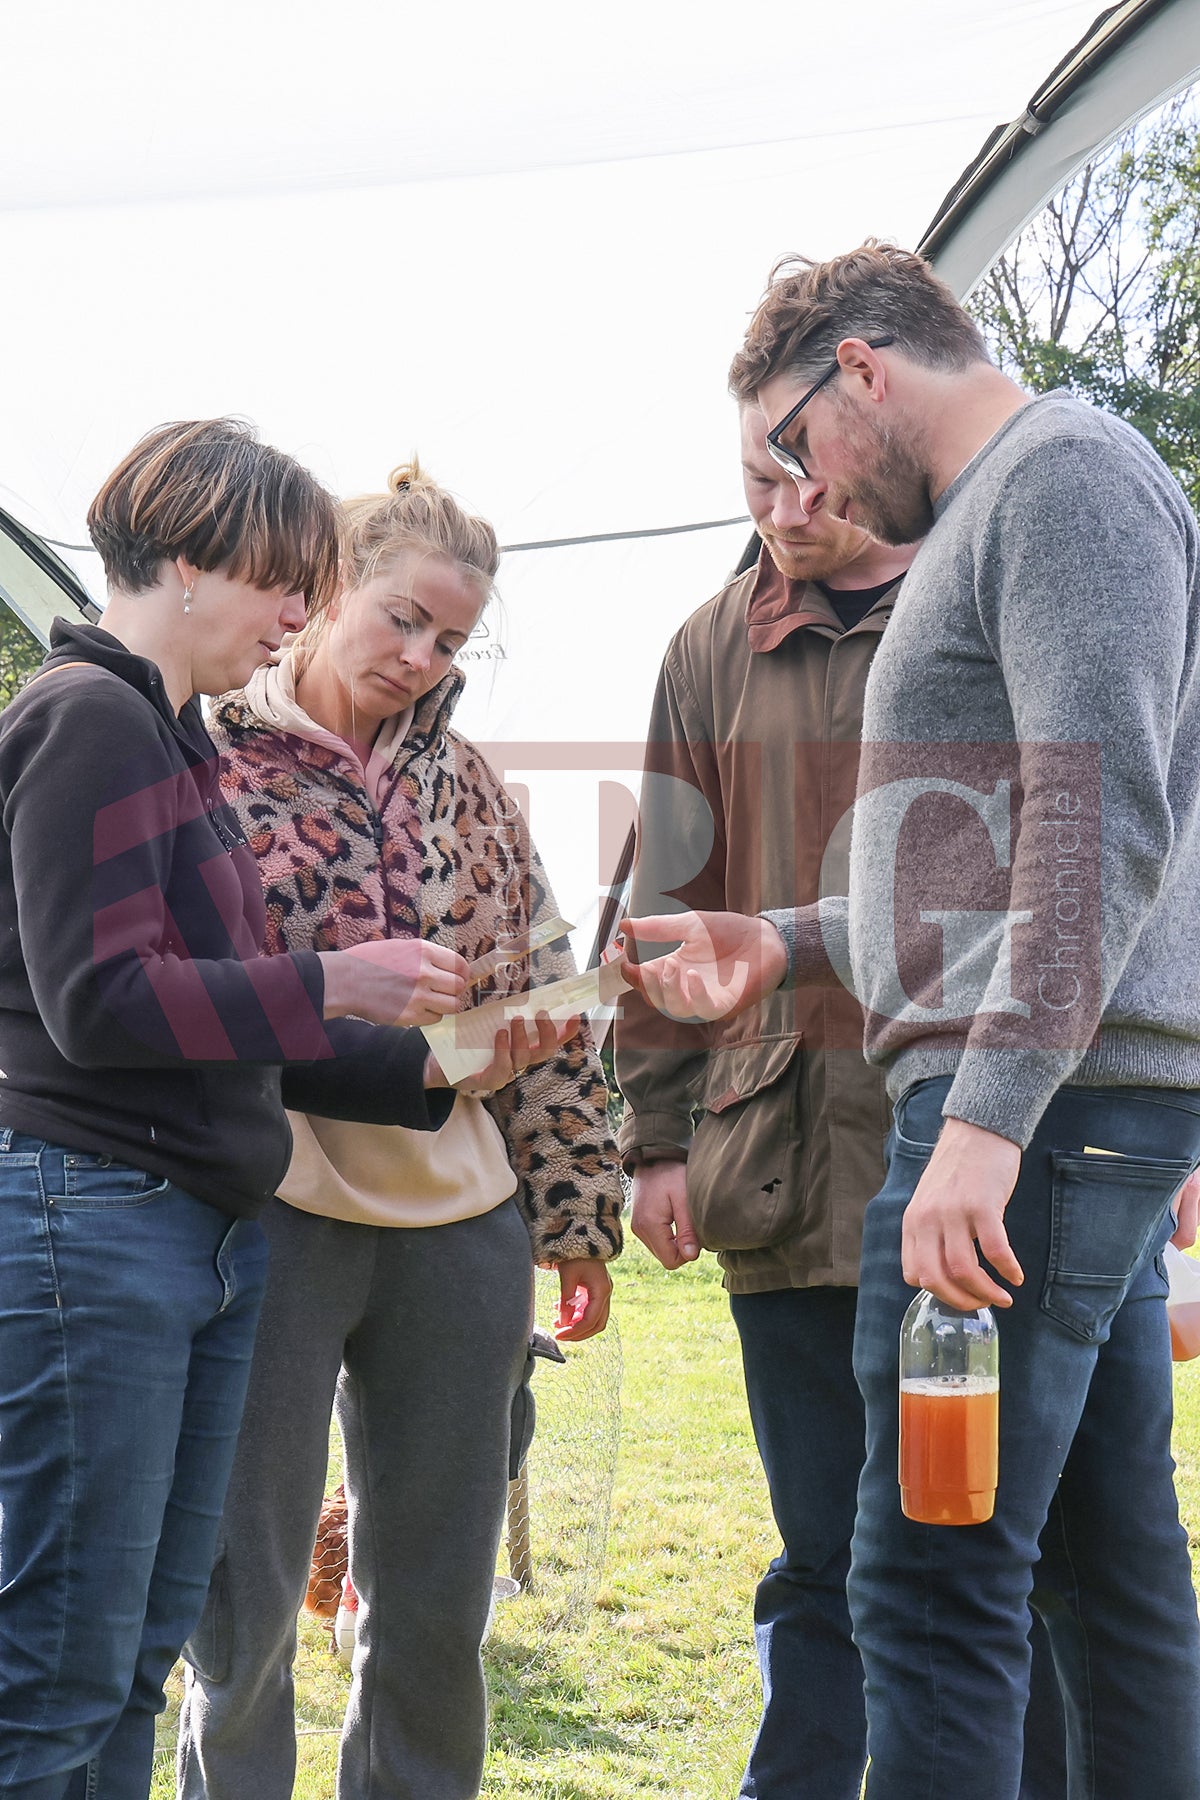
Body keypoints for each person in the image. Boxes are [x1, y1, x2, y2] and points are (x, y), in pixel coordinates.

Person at [625, 244, 1200, 1800]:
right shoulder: (1000, 510)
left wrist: (988, 1122)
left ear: (861, 372)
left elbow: (1103, 821)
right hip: (1048, 1112)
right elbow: (984, 863)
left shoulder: (1062, 480)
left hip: (1026, 1125)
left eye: (793, 442)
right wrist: (788, 938)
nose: (799, 488)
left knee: (929, 1595)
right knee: (1103, 1569)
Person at [0, 419, 568, 1800]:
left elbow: (214, 1030)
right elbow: (101, 1005)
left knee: (125, 1652)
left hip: (177, 1225)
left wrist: (436, 1065)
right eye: (282, 586)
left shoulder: (158, 738)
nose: (293, 619)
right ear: (192, 560)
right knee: (78, 1664)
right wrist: (339, 976)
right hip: (100, 1223)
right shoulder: (88, 720)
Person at [176, 461, 623, 1800]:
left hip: (461, 1227)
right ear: (319, 597)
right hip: (268, 1215)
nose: (423, 658)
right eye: (403, 618)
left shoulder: (477, 788)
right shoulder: (196, 757)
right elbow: (174, 1000)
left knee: (433, 1610)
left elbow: (549, 992)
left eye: (450, 639)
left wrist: (579, 1211)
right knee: (241, 1602)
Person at [616, 397, 912, 1798]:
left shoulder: (976, 590)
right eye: (757, 481)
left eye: (810, 479)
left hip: (975, 1153)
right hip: (778, 1154)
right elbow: (663, 897)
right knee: (829, 1545)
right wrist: (653, 1137)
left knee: (1016, 1546)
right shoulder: (704, 649)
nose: (787, 512)